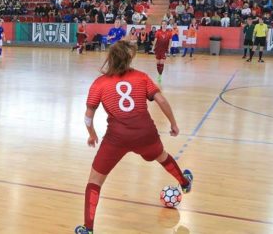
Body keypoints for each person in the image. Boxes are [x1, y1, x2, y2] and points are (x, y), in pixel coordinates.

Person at [74, 40, 193, 234]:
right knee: (161, 156)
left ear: (110, 59)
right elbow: (161, 99)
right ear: (129, 59)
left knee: (94, 181)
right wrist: (173, 123)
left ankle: (87, 229)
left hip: (116, 138)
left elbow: (88, 117)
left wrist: (92, 134)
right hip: (145, 133)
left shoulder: (99, 83)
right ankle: (185, 183)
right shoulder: (141, 77)